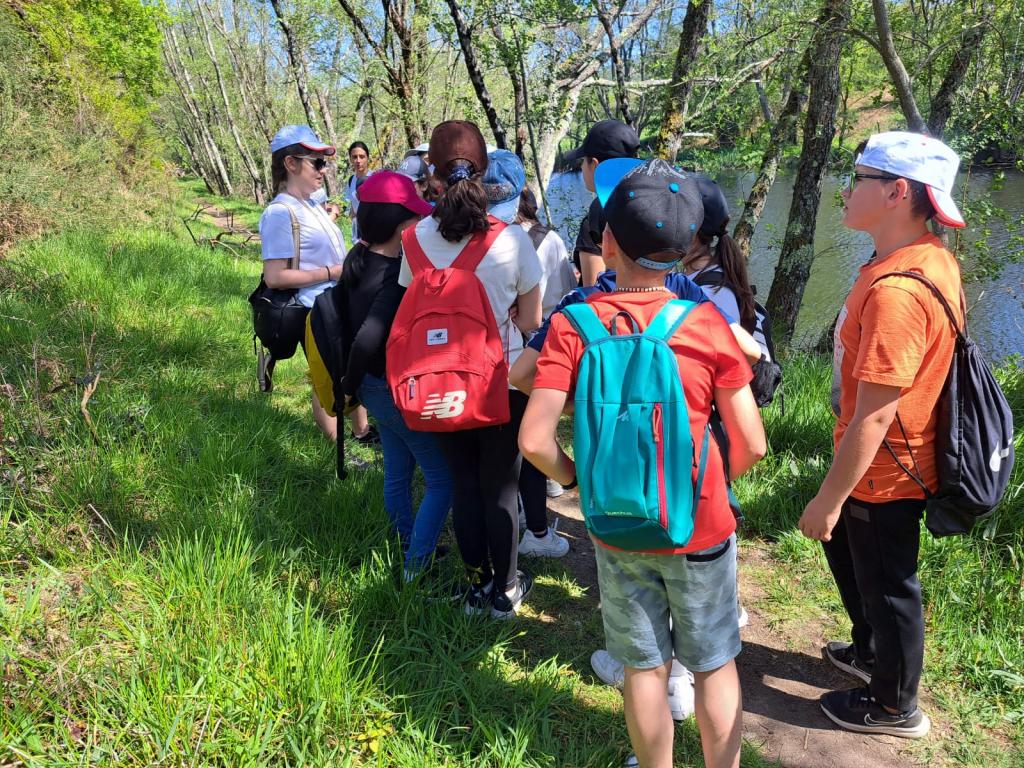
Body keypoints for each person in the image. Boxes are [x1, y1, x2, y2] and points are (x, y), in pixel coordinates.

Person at [520, 160, 766, 768]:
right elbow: (753, 444)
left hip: (616, 523)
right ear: (685, 251)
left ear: (606, 243)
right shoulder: (707, 323)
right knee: (713, 664)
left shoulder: (573, 325)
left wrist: (578, 482)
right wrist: (707, 484)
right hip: (699, 525)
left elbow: (533, 439)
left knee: (643, 666)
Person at [797, 132, 967, 739]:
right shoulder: (921, 257)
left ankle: (895, 706)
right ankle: (870, 652)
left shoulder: (899, 291)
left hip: (887, 468)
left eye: (859, 178)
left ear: (897, 192)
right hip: (874, 460)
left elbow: (875, 414)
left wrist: (829, 499)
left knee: (890, 585)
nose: (847, 190)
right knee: (858, 562)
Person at [398, 120, 543, 619]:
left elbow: (414, 308)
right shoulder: (513, 241)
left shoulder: (414, 240)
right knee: (500, 487)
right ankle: (506, 590)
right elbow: (531, 321)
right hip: (501, 381)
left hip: (438, 382)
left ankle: (477, 585)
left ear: (433, 176)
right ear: (483, 172)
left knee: (463, 484)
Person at [332, 170, 453, 581]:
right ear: (400, 226)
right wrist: (348, 386)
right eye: (414, 218)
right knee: (443, 480)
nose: (420, 224)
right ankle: (416, 568)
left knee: (398, 470)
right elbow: (368, 337)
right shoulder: (395, 276)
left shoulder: (358, 259)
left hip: (373, 388)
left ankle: (405, 542)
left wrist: (353, 386)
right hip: (388, 387)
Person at [259, 125, 373, 442]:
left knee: (346, 369)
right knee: (325, 378)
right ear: (290, 164)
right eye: (316, 163)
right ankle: (338, 447)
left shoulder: (310, 204)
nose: (323, 170)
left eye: (324, 162)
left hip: (335, 304)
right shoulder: (280, 213)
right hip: (313, 311)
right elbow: (275, 277)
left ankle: (362, 432)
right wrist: (331, 272)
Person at [514, 187, 576, 556]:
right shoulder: (549, 239)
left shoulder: (489, 238)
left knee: (518, 432)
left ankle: (527, 505)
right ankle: (547, 493)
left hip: (505, 346)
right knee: (539, 422)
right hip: (543, 342)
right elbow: (568, 293)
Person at [561, 119, 640, 286]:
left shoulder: (599, 212)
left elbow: (594, 288)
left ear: (595, 164)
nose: (582, 167)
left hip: (613, 302)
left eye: (583, 161)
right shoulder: (645, 200)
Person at [344, 141, 373, 243]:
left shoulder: (375, 179)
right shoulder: (351, 180)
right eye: (354, 157)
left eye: (362, 156)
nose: (358, 160)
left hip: (373, 234)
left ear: (367, 158)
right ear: (350, 159)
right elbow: (351, 205)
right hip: (357, 235)